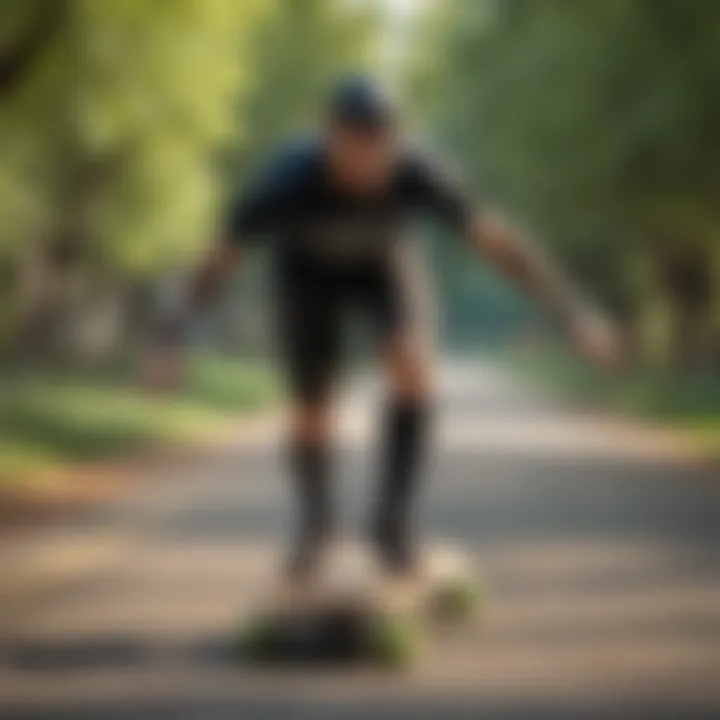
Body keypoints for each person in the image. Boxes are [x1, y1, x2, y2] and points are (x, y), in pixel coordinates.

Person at [146, 75, 622, 579]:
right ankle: (316, 524)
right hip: (308, 278)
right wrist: (169, 336)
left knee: (412, 363)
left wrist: (573, 312)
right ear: (329, 137)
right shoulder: (288, 179)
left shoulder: (417, 171)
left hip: (385, 270)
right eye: (355, 145)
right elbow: (217, 260)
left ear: (396, 140)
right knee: (312, 408)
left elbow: (499, 244)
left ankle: (392, 525)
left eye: (381, 145)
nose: (369, 160)